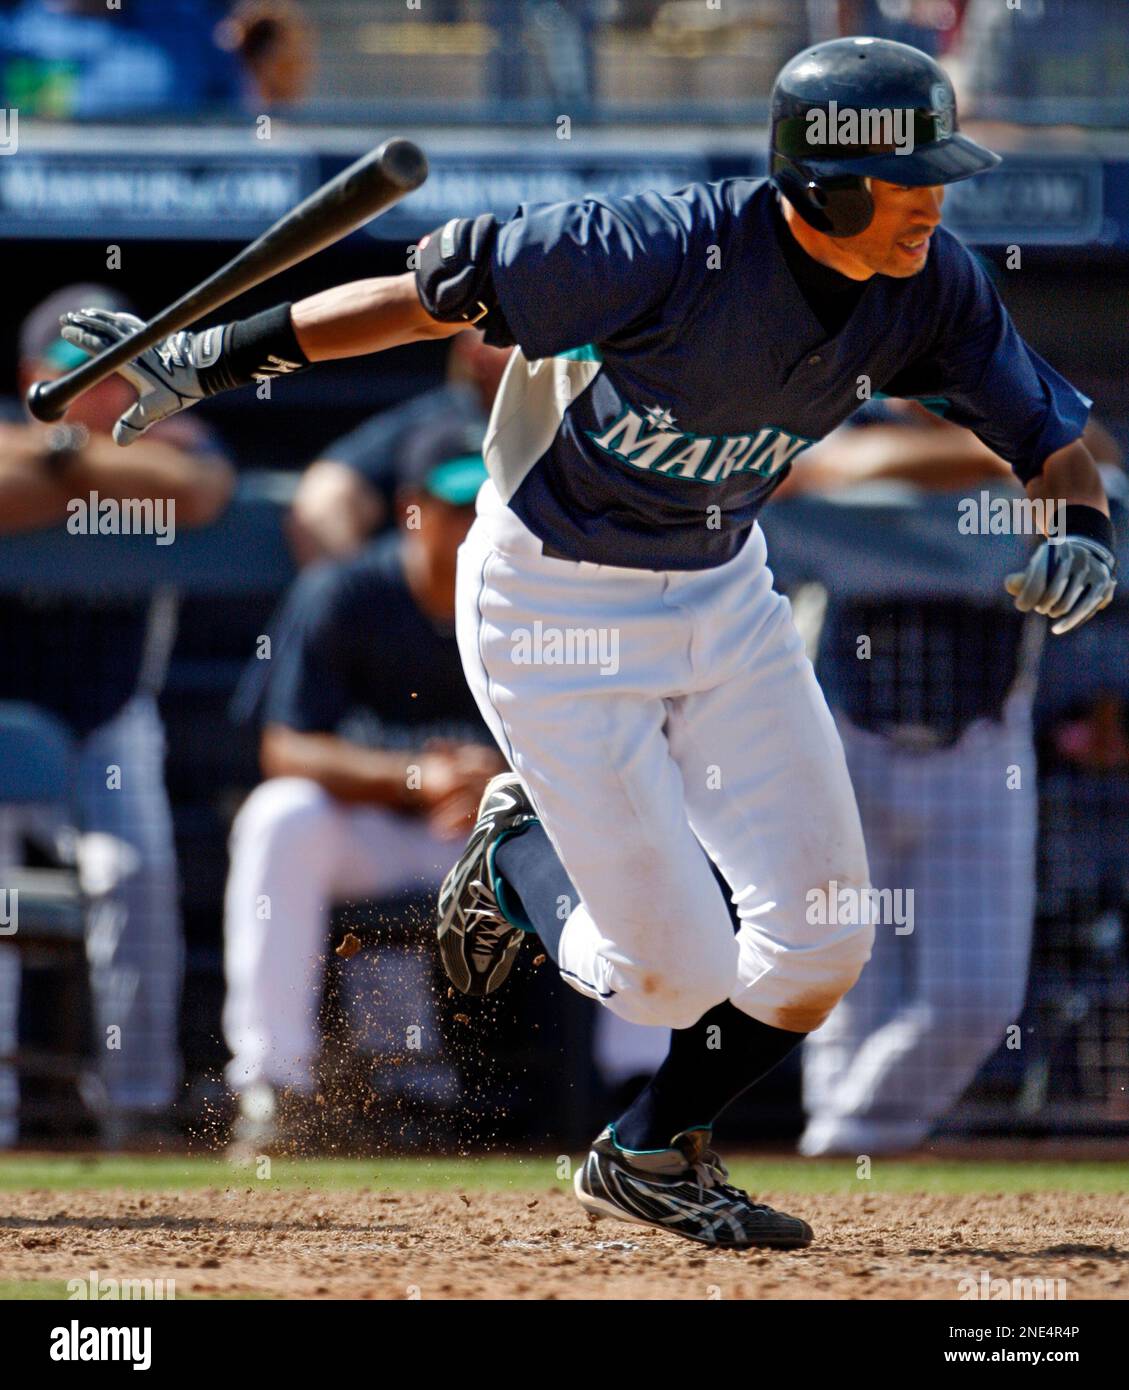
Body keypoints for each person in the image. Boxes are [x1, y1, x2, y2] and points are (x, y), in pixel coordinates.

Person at [59, 38, 1117, 1247]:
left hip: (723, 592)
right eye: (907, 179)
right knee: (674, 976)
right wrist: (200, 359)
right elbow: (419, 303)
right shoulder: (658, 245)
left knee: (824, 933)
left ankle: (649, 1148)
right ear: (823, 184)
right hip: (553, 601)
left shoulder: (930, 282)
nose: (934, 200)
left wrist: (1079, 529)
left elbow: (1047, 438)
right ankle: (516, 859)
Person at [221, 420, 505, 1145]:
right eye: (459, 506)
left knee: (619, 819)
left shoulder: (541, 603)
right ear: (413, 508)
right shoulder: (345, 592)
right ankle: (272, 1086)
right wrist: (416, 777)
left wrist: (504, 784)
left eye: (492, 506)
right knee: (279, 815)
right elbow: (284, 748)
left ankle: (632, 1092)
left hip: (492, 840)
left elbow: (606, 741)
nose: (476, 525)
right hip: (377, 835)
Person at [0, 284, 233, 1146]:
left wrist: (58, 459)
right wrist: (83, 459)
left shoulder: (163, 433)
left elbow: (201, 485)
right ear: (32, 375)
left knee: (133, 876)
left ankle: (135, 1109)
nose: (104, 397)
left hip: (108, 716)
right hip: (5, 716)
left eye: (117, 377)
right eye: (77, 377)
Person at [286, 330, 510, 566]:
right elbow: (328, 491)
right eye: (511, 340)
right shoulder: (436, 428)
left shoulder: (547, 420)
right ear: (476, 354)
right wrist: (358, 581)